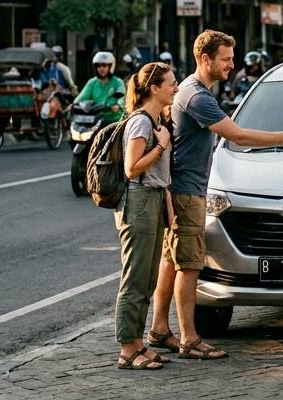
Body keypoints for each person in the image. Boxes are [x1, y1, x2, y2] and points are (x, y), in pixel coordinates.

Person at [147, 30, 283, 361]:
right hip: (188, 193)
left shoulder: (192, 91)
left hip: (181, 189)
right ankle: (189, 338)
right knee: (189, 266)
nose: (231, 64)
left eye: (232, 58)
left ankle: (159, 328)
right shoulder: (197, 96)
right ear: (205, 59)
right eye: (225, 59)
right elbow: (237, 135)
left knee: (171, 261)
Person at [113, 61, 177, 371]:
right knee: (135, 277)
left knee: (149, 277)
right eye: (171, 83)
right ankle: (127, 348)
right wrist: (161, 146)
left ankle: (138, 343)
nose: (175, 88)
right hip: (138, 200)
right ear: (154, 88)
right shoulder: (140, 122)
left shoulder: (157, 119)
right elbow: (131, 168)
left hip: (154, 198)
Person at [74, 52, 126, 125]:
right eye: (98, 66)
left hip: (113, 120)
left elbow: (121, 97)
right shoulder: (92, 82)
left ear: (110, 66)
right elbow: (82, 97)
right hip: (94, 120)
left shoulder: (118, 82)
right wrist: (74, 104)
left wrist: (118, 105)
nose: (101, 68)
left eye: (104, 65)